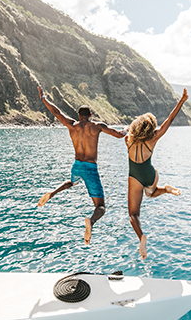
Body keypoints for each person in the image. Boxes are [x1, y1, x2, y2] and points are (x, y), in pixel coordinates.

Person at [37, 85, 126, 244]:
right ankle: (91, 222)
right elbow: (119, 135)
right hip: (91, 168)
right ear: (90, 115)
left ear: (78, 115)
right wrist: (126, 129)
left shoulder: (72, 125)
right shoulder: (97, 126)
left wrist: (43, 97)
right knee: (101, 207)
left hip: (77, 165)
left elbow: (56, 111)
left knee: (72, 181)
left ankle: (52, 193)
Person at [125, 88, 189, 259]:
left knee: (133, 214)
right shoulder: (153, 139)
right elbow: (170, 119)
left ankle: (141, 237)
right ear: (151, 127)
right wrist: (181, 101)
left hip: (134, 177)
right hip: (150, 174)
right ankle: (165, 189)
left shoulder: (128, 140)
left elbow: (127, 131)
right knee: (150, 193)